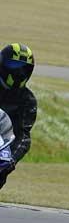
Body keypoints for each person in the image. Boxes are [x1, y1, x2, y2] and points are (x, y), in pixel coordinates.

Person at [0, 44, 38, 190]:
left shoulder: (27, 101)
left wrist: (11, 160)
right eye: (14, 66)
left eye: (24, 69)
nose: (19, 72)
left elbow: (23, 136)